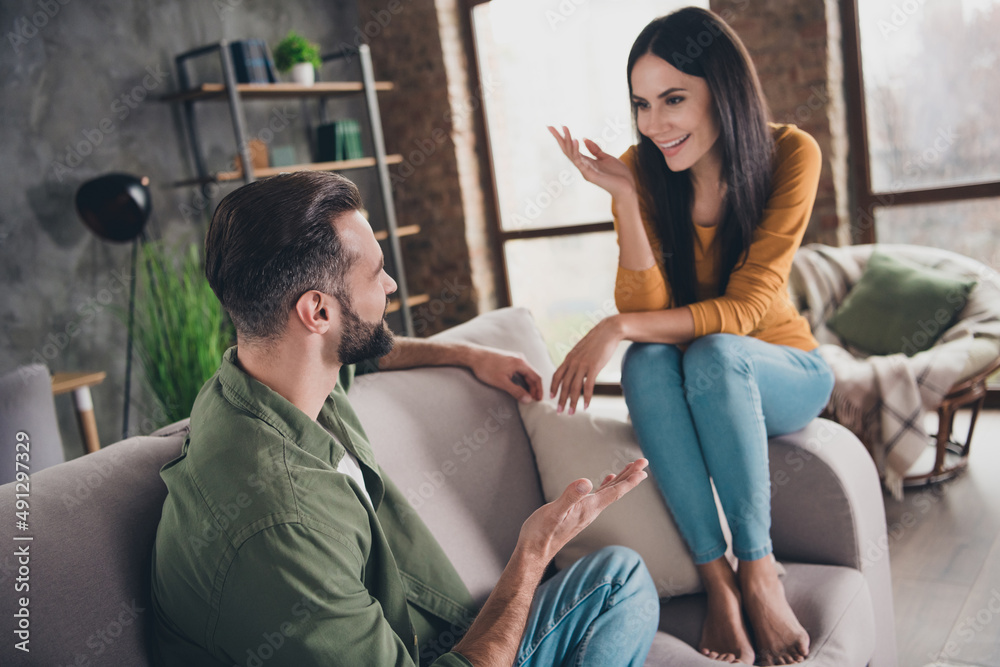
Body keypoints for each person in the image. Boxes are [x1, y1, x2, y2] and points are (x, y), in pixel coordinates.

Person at [149, 170, 659, 667]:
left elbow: (367, 350)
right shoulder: (280, 524)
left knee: (617, 573)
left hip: (435, 637)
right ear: (318, 313)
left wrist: (469, 355)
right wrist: (533, 553)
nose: (391, 284)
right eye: (376, 273)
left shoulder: (261, 379)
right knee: (622, 582)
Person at [548, 7, 835, 666]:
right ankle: (717, 577)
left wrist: (614, 326)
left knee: (709, 346)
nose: (654, 123)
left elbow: (744, 309)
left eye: (674, 99)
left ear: (722, 89)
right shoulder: (642, 170)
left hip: (785, 367)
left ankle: (758, 569)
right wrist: (624, 199)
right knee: (648, 361)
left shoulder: (792, 153)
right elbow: (646, 303)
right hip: (693, 363)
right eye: (642, 104)